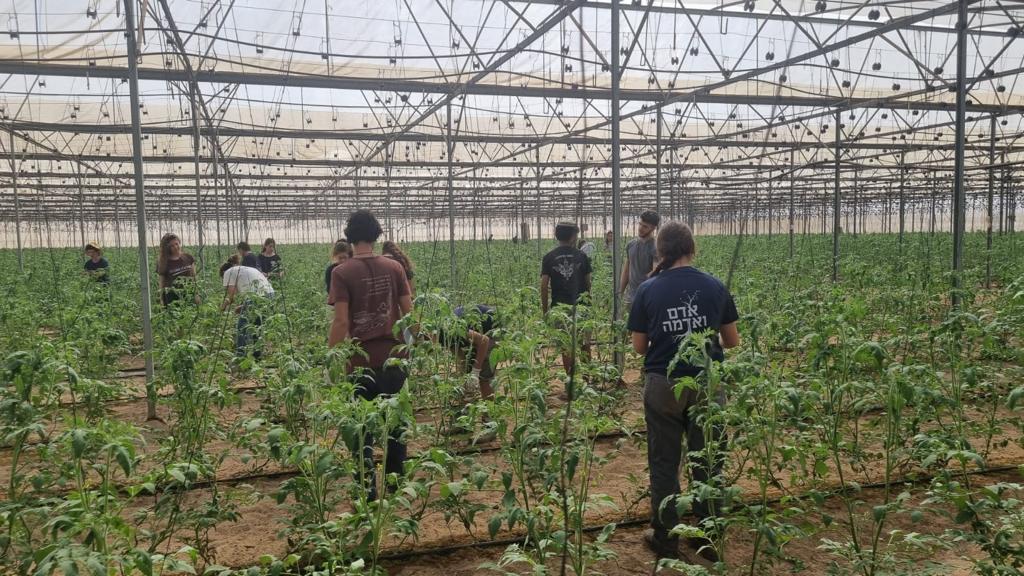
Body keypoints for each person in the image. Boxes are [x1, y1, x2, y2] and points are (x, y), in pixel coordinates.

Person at [627, 222, 740, 563]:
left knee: (664, 460)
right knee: (708, 459)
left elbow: (638, 347)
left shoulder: (648, 289)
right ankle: (707, 536)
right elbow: (732, 341)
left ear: (660, 251)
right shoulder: (714, 286)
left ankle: (666, 536)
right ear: (693, 248)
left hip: (664, 383)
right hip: (707, 382)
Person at [328, 210, 413, 501]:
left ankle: (367, 493)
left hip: (359, 363)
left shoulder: (341, 272)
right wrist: (416, 347)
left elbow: (340, 322)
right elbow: (408, 315)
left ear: (349, 237)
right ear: (376, 235)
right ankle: (395, 488)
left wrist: (332, 359)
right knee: (395, 427)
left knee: (361, 433)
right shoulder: (394, 268)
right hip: (394, 359)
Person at [540, 222, 592, 386]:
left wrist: (545, 309)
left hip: (560, 308)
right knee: (585, 343)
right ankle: (586, 381)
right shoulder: (582, 256)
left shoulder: (549, 257)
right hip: (582, 305)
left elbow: (543, 285)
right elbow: (588, 282)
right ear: (572, 237)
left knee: (565, 345)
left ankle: (571, 384)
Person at [220, 255, 275, 359]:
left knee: (242, 326)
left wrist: (222, 308)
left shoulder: (227, 273)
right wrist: (243, 306)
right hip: (270, 294)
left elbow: (231, 297)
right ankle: (257, 354)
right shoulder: (244, 269)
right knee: (257, 324)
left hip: (256, 296)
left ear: (223, 273)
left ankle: (240, 356)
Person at [620, 210, 661, 307]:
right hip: (630, 297)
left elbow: (655, 272)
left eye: (645, 226)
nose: (640, 228)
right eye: (640, 224)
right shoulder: (631, 245)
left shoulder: (655, 248)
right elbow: (626, 270)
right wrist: (620, 292)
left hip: (647, 297)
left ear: (653, 228)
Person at [156, 233, 198, 307]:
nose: (175, 247)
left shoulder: (188, 258)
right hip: (172, 298)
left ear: (179, 243)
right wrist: (161, 299)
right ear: (167, 248)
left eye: (176, 244)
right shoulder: (164, 262)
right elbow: (162, 282)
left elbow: (194, 277)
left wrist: (196, 294)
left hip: (188, 294)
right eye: (172, 246)